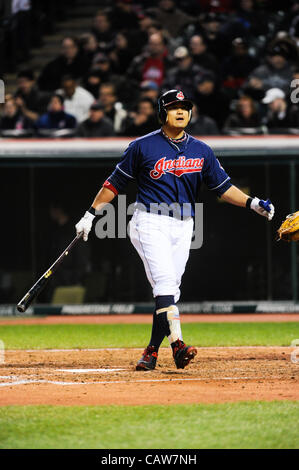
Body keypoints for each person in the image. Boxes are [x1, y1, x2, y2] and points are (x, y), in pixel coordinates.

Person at [74, 89, 275, 371]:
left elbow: (223, 187)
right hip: (149, 221)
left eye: (185, 107)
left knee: (168, 291)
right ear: (162, 113)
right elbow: (114, 184)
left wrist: (252, 203)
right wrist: (90, 214)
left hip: (184, 225)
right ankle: (178, 345)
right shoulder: (141, 146)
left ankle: (152, 351)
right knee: (166, 282)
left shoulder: (201, 150)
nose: (180, 111)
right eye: (173, 107)